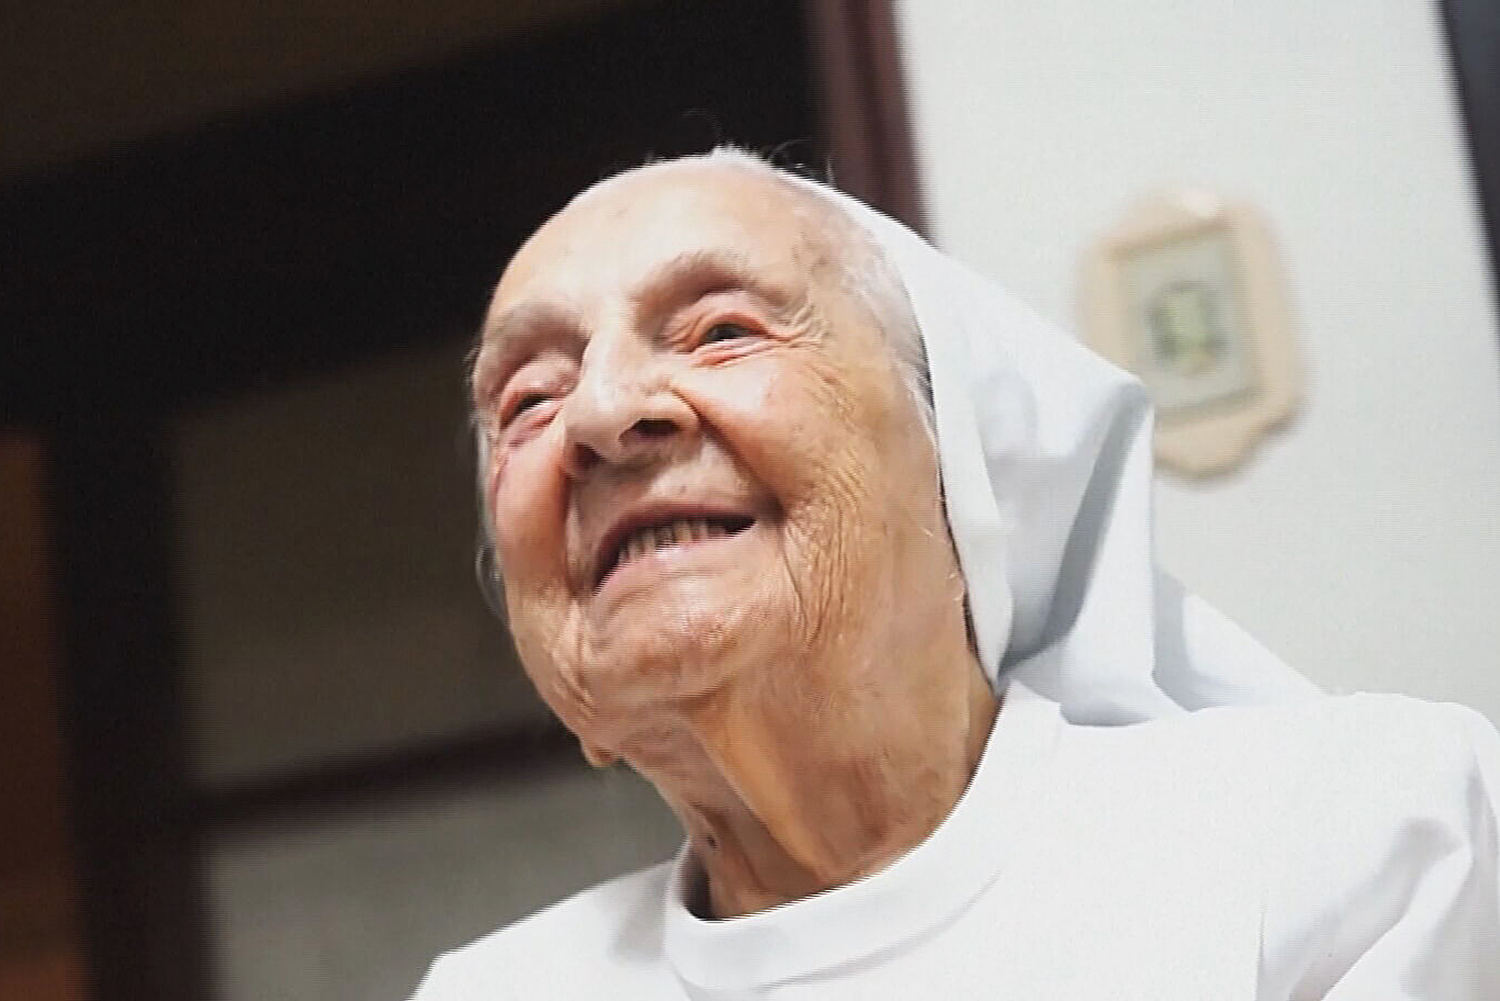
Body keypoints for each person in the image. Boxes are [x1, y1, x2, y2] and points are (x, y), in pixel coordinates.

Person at [413, 148, 1500, 999]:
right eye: (529, 400)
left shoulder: (1360, 834)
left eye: (720, 330)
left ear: (963, 472)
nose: (602, 414)